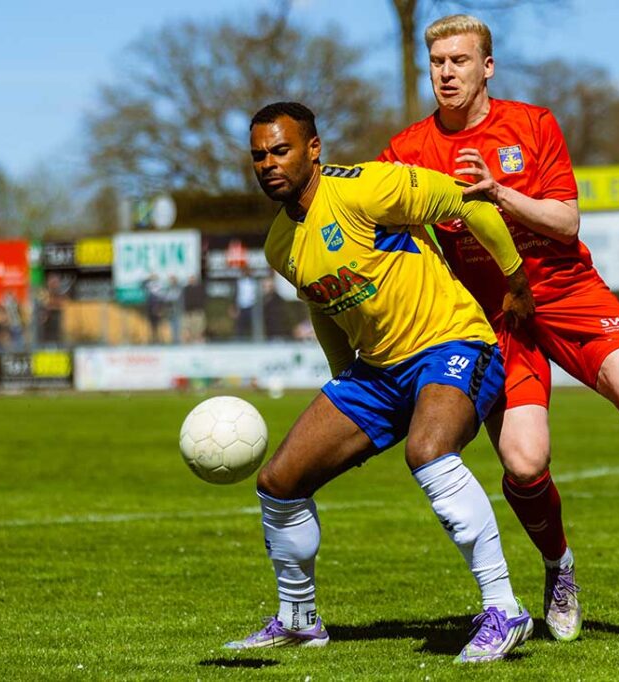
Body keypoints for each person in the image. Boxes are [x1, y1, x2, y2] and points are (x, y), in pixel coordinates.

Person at [380, 14, 619, 639]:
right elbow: (386, 228)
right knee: (524, 465)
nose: (447, 73)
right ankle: (560, 567)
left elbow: (567, 222)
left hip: (566, 290)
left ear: (486, 67)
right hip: (493, 318)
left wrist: (499, 194)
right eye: (437, 63)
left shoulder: (533, 124)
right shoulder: (407, 152)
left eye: (460, 61)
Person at [225, 101, 537, 663]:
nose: (269, 163)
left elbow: (467, 203)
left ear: (313, 149)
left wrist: (515, 280)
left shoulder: (367, 187)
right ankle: (299, 619)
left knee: (428, 451)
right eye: (258, 156)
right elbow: (325, 307)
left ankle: (504, 608)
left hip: (453, 341)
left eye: (281, 150)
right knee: (279, 481)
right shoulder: (280, 244)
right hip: (377, 370)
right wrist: (341, 376)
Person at [233, 266, 258, 340]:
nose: (247, 273)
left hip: (251, 306)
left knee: (253, 325)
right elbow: (235, 294)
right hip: (241, 307)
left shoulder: (254, 282)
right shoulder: (239, 282)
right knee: (239, 326)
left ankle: (254, 340)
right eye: (245, 271)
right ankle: (239, 341)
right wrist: (234, 307)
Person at [181, 276, 207, 343]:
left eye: (193, 279)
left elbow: (203, 299)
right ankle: (189, 340)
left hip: (198, 311)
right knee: (188, 327)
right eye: (190, 279)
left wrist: (201, 308)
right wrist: (186, 309)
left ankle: (198, 339)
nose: (191, 280)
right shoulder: (186, 289)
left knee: (199, 326)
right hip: (189, 311)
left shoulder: (200, 288)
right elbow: (185, 300)